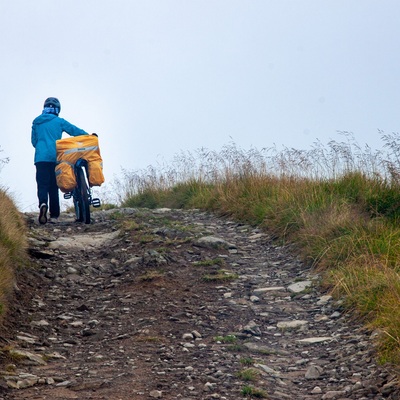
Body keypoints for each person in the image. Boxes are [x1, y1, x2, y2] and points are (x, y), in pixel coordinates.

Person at [31, 97, 88, 224]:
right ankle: (54, 215)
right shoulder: (59, 121)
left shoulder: (36, 122)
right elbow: (74, 131)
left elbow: (34, 142)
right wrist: (88, 136)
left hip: (40, 158)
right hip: (55, 157)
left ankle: (43, 204)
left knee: (42, 184)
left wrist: (42, 146)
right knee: (53, 186)